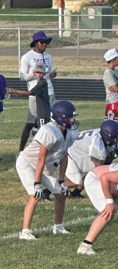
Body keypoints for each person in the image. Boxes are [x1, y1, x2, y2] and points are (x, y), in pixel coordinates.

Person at [15, 100, 78, 240]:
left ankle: (58, 227)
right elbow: (40, 159)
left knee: (60, 193)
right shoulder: (49, 131)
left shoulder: (70, 132)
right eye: (70, 117)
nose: (73, 120)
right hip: (28, 163)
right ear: (60, 117)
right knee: (35, 194)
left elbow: (64, 155)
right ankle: (25, 231)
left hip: (44, 166)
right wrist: (37, 183)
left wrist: (61, 180)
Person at [18, 31, 56, 152]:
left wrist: (51, 75)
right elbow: (22, 77)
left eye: (46, 42)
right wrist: (34, 73)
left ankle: (46, 149)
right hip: (34, 93)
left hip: (48, 91)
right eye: (42, 42)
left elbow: (48, 74)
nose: (45, 44)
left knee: (49, 122)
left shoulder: (48, 57)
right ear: (35, 43)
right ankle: (21, 151)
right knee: (30, 123)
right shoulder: (27, 57)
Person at [64, 120, 118, 197]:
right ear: (107, 135)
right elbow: (99, 170)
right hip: (68, 154)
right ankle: (51, 188)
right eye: (114, 138)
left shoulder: (102, 134)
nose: (116, 140)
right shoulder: (97, 144)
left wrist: (110, 158)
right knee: (77, 181)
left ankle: (75, 193)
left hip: (77, 151)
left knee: (93, 171)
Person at [7, 60, 52, 132]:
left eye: (41, 72)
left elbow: (30, 92)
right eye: (37, 72)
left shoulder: (42, 83)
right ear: (34, 73)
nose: (39, 74)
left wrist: (15, 91)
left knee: (42, 131)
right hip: (41, 112)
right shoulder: (40, 83)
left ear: (44, 73)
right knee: (36, 129)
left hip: (43, 113)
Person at [102, 48, 118, 123]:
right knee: (112, 125)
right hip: (112, 104)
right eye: (117, 58)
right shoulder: (108, 73)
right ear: (113, 60)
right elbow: (116, 89)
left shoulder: (117, 71)